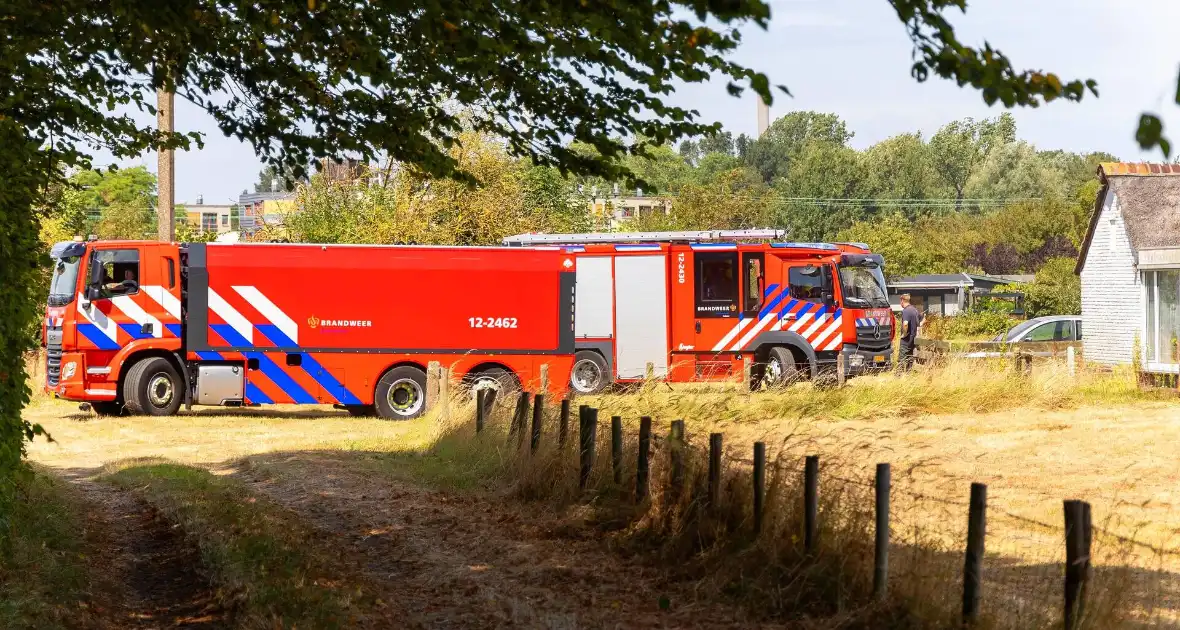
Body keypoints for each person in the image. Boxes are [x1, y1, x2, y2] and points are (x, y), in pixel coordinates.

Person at [898, 293, 922, 371]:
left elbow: (905, 324)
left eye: (900, 301)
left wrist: (904, 335)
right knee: (910, 359)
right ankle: (908, 375)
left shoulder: (906, 311)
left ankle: (898, 376)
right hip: (913, 340)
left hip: (906, 340)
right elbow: (923, 319)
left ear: (902, 301)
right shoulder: (914, 310)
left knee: (901, 360)